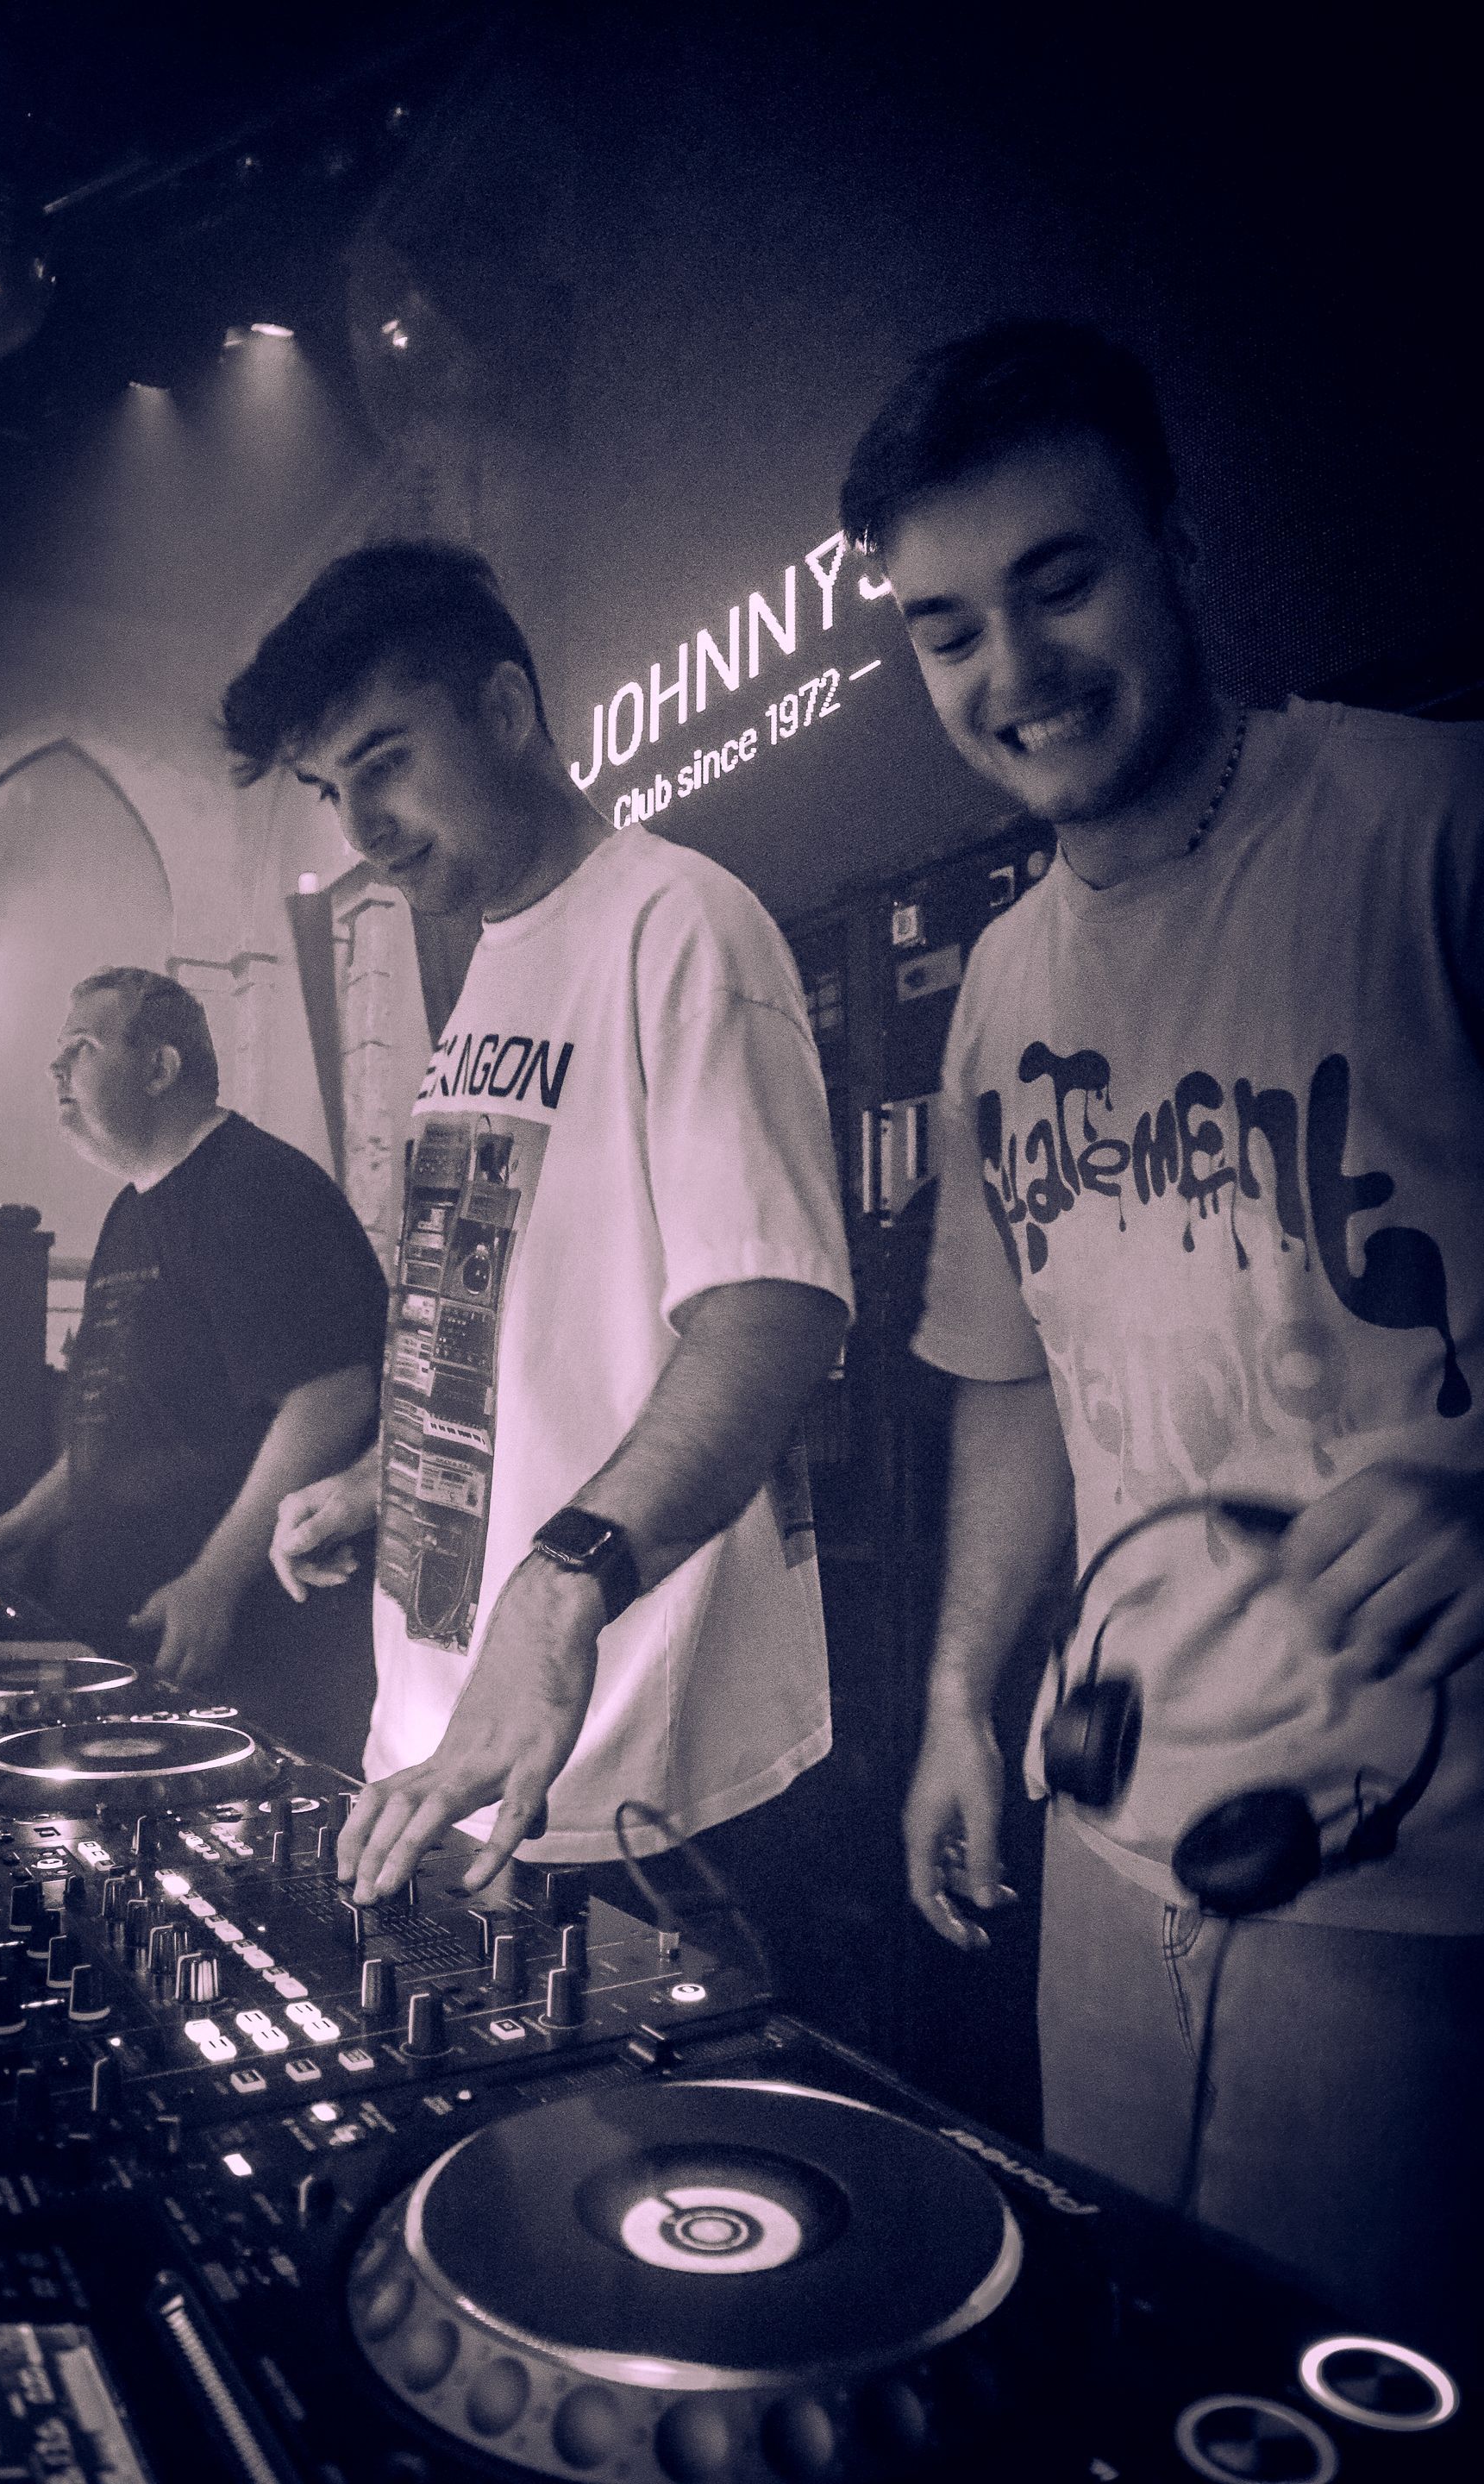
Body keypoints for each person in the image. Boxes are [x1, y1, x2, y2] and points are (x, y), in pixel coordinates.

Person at [840, 319, 1483, 2355]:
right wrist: (964, 1699)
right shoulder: (998, 986)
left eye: (1060, 583)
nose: (1012, 670)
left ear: (1177, 550)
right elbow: (1013, 1377)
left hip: (1418, 1877)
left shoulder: (1430, 824)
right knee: (1123, 2360)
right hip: (1105, 1837)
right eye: (948, 628)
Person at [220, 541, 853, 1909]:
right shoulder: (497, 961)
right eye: (333, 790)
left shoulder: (680, 922)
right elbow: (533, 1336)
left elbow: (772, 1317)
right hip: (453, 1748)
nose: (361, 826)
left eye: (385, 763)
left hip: (630, 1772)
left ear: (505, 711)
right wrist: (388, 1479)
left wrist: (566, 1576)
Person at [0, 967, 388, 1762]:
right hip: (137, 1627)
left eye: (82, 1048)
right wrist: (31, 1517)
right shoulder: (135, 1204)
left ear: (158, 1068)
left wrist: (217, 1576)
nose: (56, 1067)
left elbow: (331, 1396)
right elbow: (125, 1410)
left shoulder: (256, 1189)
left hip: (247, 1646)